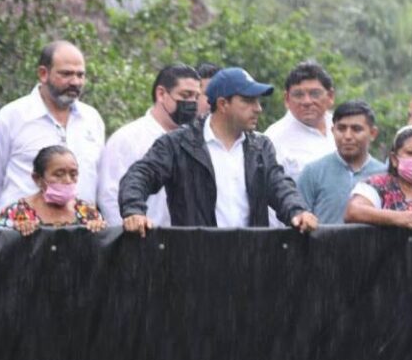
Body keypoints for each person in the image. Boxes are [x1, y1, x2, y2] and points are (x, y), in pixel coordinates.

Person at [119, 67, 318, 235]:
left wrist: (297, 211)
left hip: (251, 262)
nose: (258, 109)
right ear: (223, 104)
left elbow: (279, 185)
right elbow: (140, 175)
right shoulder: (178, 144)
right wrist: (134, 210)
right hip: (196, 263)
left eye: (257, 101)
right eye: (248, 101)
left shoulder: (261, 146)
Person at [0, 40, 105, 218]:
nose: (75, 81)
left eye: (80, 75)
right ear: (43, 74)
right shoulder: (11, 118)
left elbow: (97, 181)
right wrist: (4, 222)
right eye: (66, 74)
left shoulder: (92, 119)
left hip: (80, 234)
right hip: (24, 236)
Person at [97, 64, 201, 227]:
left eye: (196, 97)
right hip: (142, 239)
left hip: (185, 241)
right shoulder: (127, 138)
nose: (191, 103)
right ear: (161, 94)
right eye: (185, 95)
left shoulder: (197, 140)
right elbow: (109, 196)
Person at [296, 100, 387, 224]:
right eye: (342, 129)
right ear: (333, 131)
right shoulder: (313, 173)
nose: (348, 136)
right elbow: (297, 218)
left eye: (356, 129)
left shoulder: (385, 175)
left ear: (372, 133)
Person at [0, 145, 106, 236]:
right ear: (38, 178)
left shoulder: (88, 213)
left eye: (73, 174)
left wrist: (98, 230)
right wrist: (17, 234)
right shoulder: (15, 214)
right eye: (59, 174)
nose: (67, 180)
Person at [264, 61, 337, 181]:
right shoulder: (273, 139)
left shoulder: (343, 127)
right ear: (287, 99)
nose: (307, 101)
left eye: (315, 94)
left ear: (330, 96)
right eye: (298, 95)